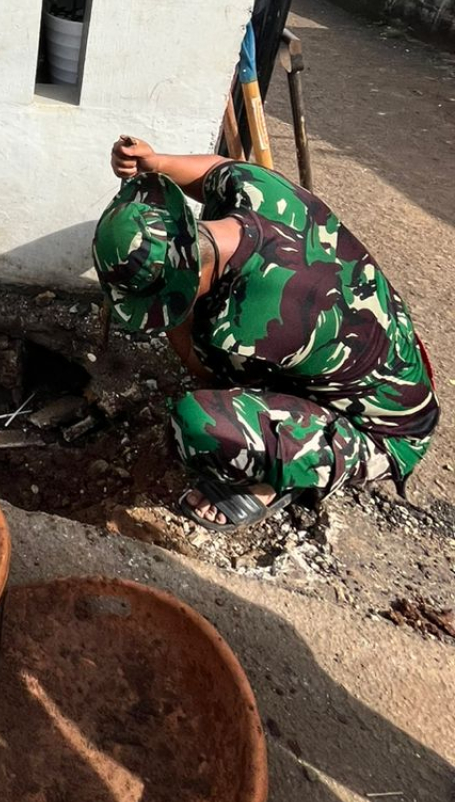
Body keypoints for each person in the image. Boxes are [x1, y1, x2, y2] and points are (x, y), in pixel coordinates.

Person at [91, 138, 440, 531]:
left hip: (386, 430)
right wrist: (157, 162)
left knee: (198, 426)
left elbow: (200, 367)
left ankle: (276, 478)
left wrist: (171, 314)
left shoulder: (242, 332)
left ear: (184, 283)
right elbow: (215, 169)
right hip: (395, 355)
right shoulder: (257, 192)